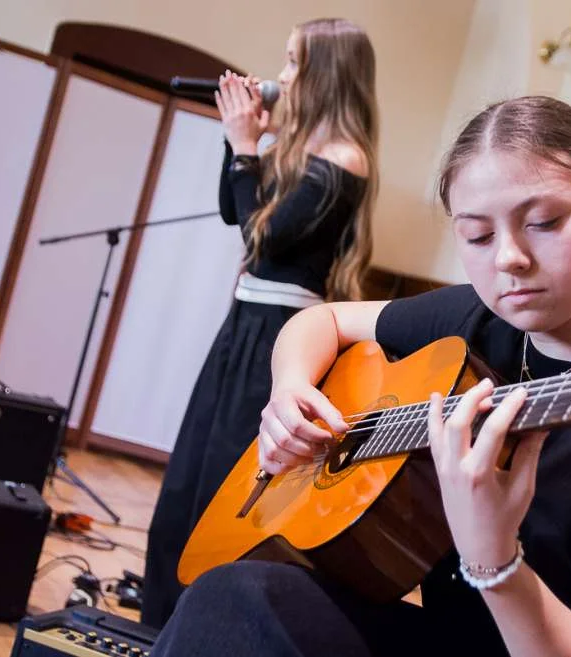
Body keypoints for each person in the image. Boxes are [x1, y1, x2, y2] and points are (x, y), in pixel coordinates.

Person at [152, 96, 571, 656]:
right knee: (234, 598)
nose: (509, 258)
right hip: (453, 641)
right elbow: (321, 320)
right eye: (478, 235)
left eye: (543, 222)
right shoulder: (474, 322)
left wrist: (494, 556)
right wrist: (290, 390)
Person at [141, 17, 379, 629]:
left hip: (281, 333)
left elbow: (262, 236)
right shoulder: (296, 145)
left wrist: (249, 147)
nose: (281, 76)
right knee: (188, 476)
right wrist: (238, 141)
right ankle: (158, 620)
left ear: (326, 74)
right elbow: (233, 211)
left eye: (294, 62)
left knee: (227, 484)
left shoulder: (344, 159)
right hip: (242, 322)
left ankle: (202, 622)